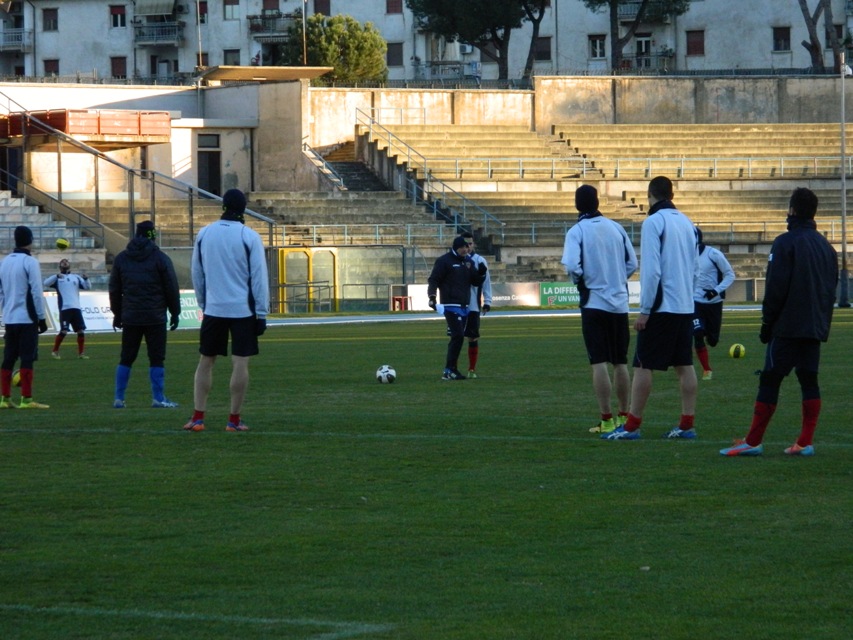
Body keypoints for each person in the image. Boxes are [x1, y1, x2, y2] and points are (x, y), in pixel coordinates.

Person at [721, 187, 838, 456]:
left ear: (793, 210)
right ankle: (805, 442)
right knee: (809, 380)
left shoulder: (785, 242)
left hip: (787, 326)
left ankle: (752, 441)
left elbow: (776, 287)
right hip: (813, 327)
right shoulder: (826, 247)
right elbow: (829, 289)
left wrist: (767, 324)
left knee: (771, 379)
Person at [603, 175, 699, 441]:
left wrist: (646, 309)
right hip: (684, 304)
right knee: (684, 364)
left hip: (662, 306)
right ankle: (687, 423)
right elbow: (695, 267)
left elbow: (652, 270)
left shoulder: (654, 222)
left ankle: (632, 425)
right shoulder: (687, 222)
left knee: (643, 364)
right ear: (671, 195)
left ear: (650, 195)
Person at [183, 188, 269, 432]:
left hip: (214, 308)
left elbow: (197, 273)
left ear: (223, 206)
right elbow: (258, 278)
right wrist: (261, 313)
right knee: (240, 363)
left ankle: (198, 417)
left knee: (205, 361)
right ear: (243, 209)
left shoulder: (205, 233)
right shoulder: (249, 236)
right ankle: (233, 420)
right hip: (242, 310)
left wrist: (204, 302)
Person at [562, 185, 638, 434]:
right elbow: (632, 262)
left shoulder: (577, 230)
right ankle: (624, 417)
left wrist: (582, 280)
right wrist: (617, 279)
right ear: (597, 202)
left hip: (594, 302)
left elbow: (572, 264)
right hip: (619, 303)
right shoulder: (616, 227)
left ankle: (606, 419)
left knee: (598, 362)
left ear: (577, 205)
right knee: (620, 362)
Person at [109, 220, 181, 409]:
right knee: (156, 358)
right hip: (155, 316)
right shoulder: (160, 258)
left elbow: (114, 290)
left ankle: (119, 398)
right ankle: (158, 398)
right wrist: (175, 312)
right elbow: (171, 287)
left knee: (126, 357)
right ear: (152, 235)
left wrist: (117, 314)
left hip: (131, 315)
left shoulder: (122, 258)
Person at [0, 225, 50, 409]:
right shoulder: (30, 262)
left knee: (8, 358)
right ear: (30, 240)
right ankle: (26, 399)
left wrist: (5, 311)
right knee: (27, 358)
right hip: (27, 317)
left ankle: (4, 399)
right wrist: (41, 317)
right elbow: (36, 291)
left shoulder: (4, 262)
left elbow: (1, 291)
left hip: (10, 317)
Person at [427, 235, 487, 381]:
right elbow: (434, 279)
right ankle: (449, 370)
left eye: (468, 247)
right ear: (457, 247)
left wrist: (482, 273)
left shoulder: (468, 262)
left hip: (464, 306)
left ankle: (450, 370)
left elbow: (475, 281)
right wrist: (432, 297)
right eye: (464, 247)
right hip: (450, 305)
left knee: (457, 337)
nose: (467, 249)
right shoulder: (444, 261)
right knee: (458, 335)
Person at [692, 227, 735, 380]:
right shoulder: (685, 255)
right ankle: (706, 370)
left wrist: (715, 291)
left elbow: (730, 275)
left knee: (713, 341)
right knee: (697, 333)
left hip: (714, 302)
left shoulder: (713, 254)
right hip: (695, 301)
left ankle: (707, 334)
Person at [44, 258, 92, 359]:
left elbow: (87, 287)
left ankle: (81, 354)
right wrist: (56, 276)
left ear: (69, 265)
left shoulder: (76, 277)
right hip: (65, 308)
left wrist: (87, 279)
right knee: (64, 331)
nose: (65, 263)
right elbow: (46, 283)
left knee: (81, 331)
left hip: (76, 308)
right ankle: (55, 351)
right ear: (60, 266)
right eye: (63, 262)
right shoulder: (57, 278)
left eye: (67, 262)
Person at [460, 231, 492, 378]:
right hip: (457, 306)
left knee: (472, 337)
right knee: (455, 337)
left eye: (470, 244)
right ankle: (451, 368)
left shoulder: (480, 261)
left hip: (473, 307)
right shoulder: (454, 260)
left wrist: (487, 301)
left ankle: (471, 369)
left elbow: (486, 283)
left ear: (474, 244)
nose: (468, 247)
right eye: (465, 244)